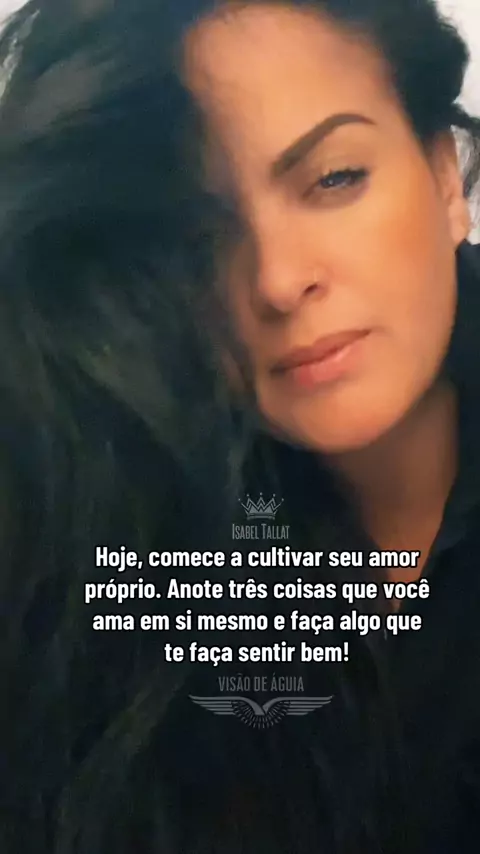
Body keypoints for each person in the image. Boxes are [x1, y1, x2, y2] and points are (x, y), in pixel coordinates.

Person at [2, 0, 480, 852]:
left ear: (446, 179)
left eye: (334, 179)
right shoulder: (113, 510)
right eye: (200, 236)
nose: (277, 280)